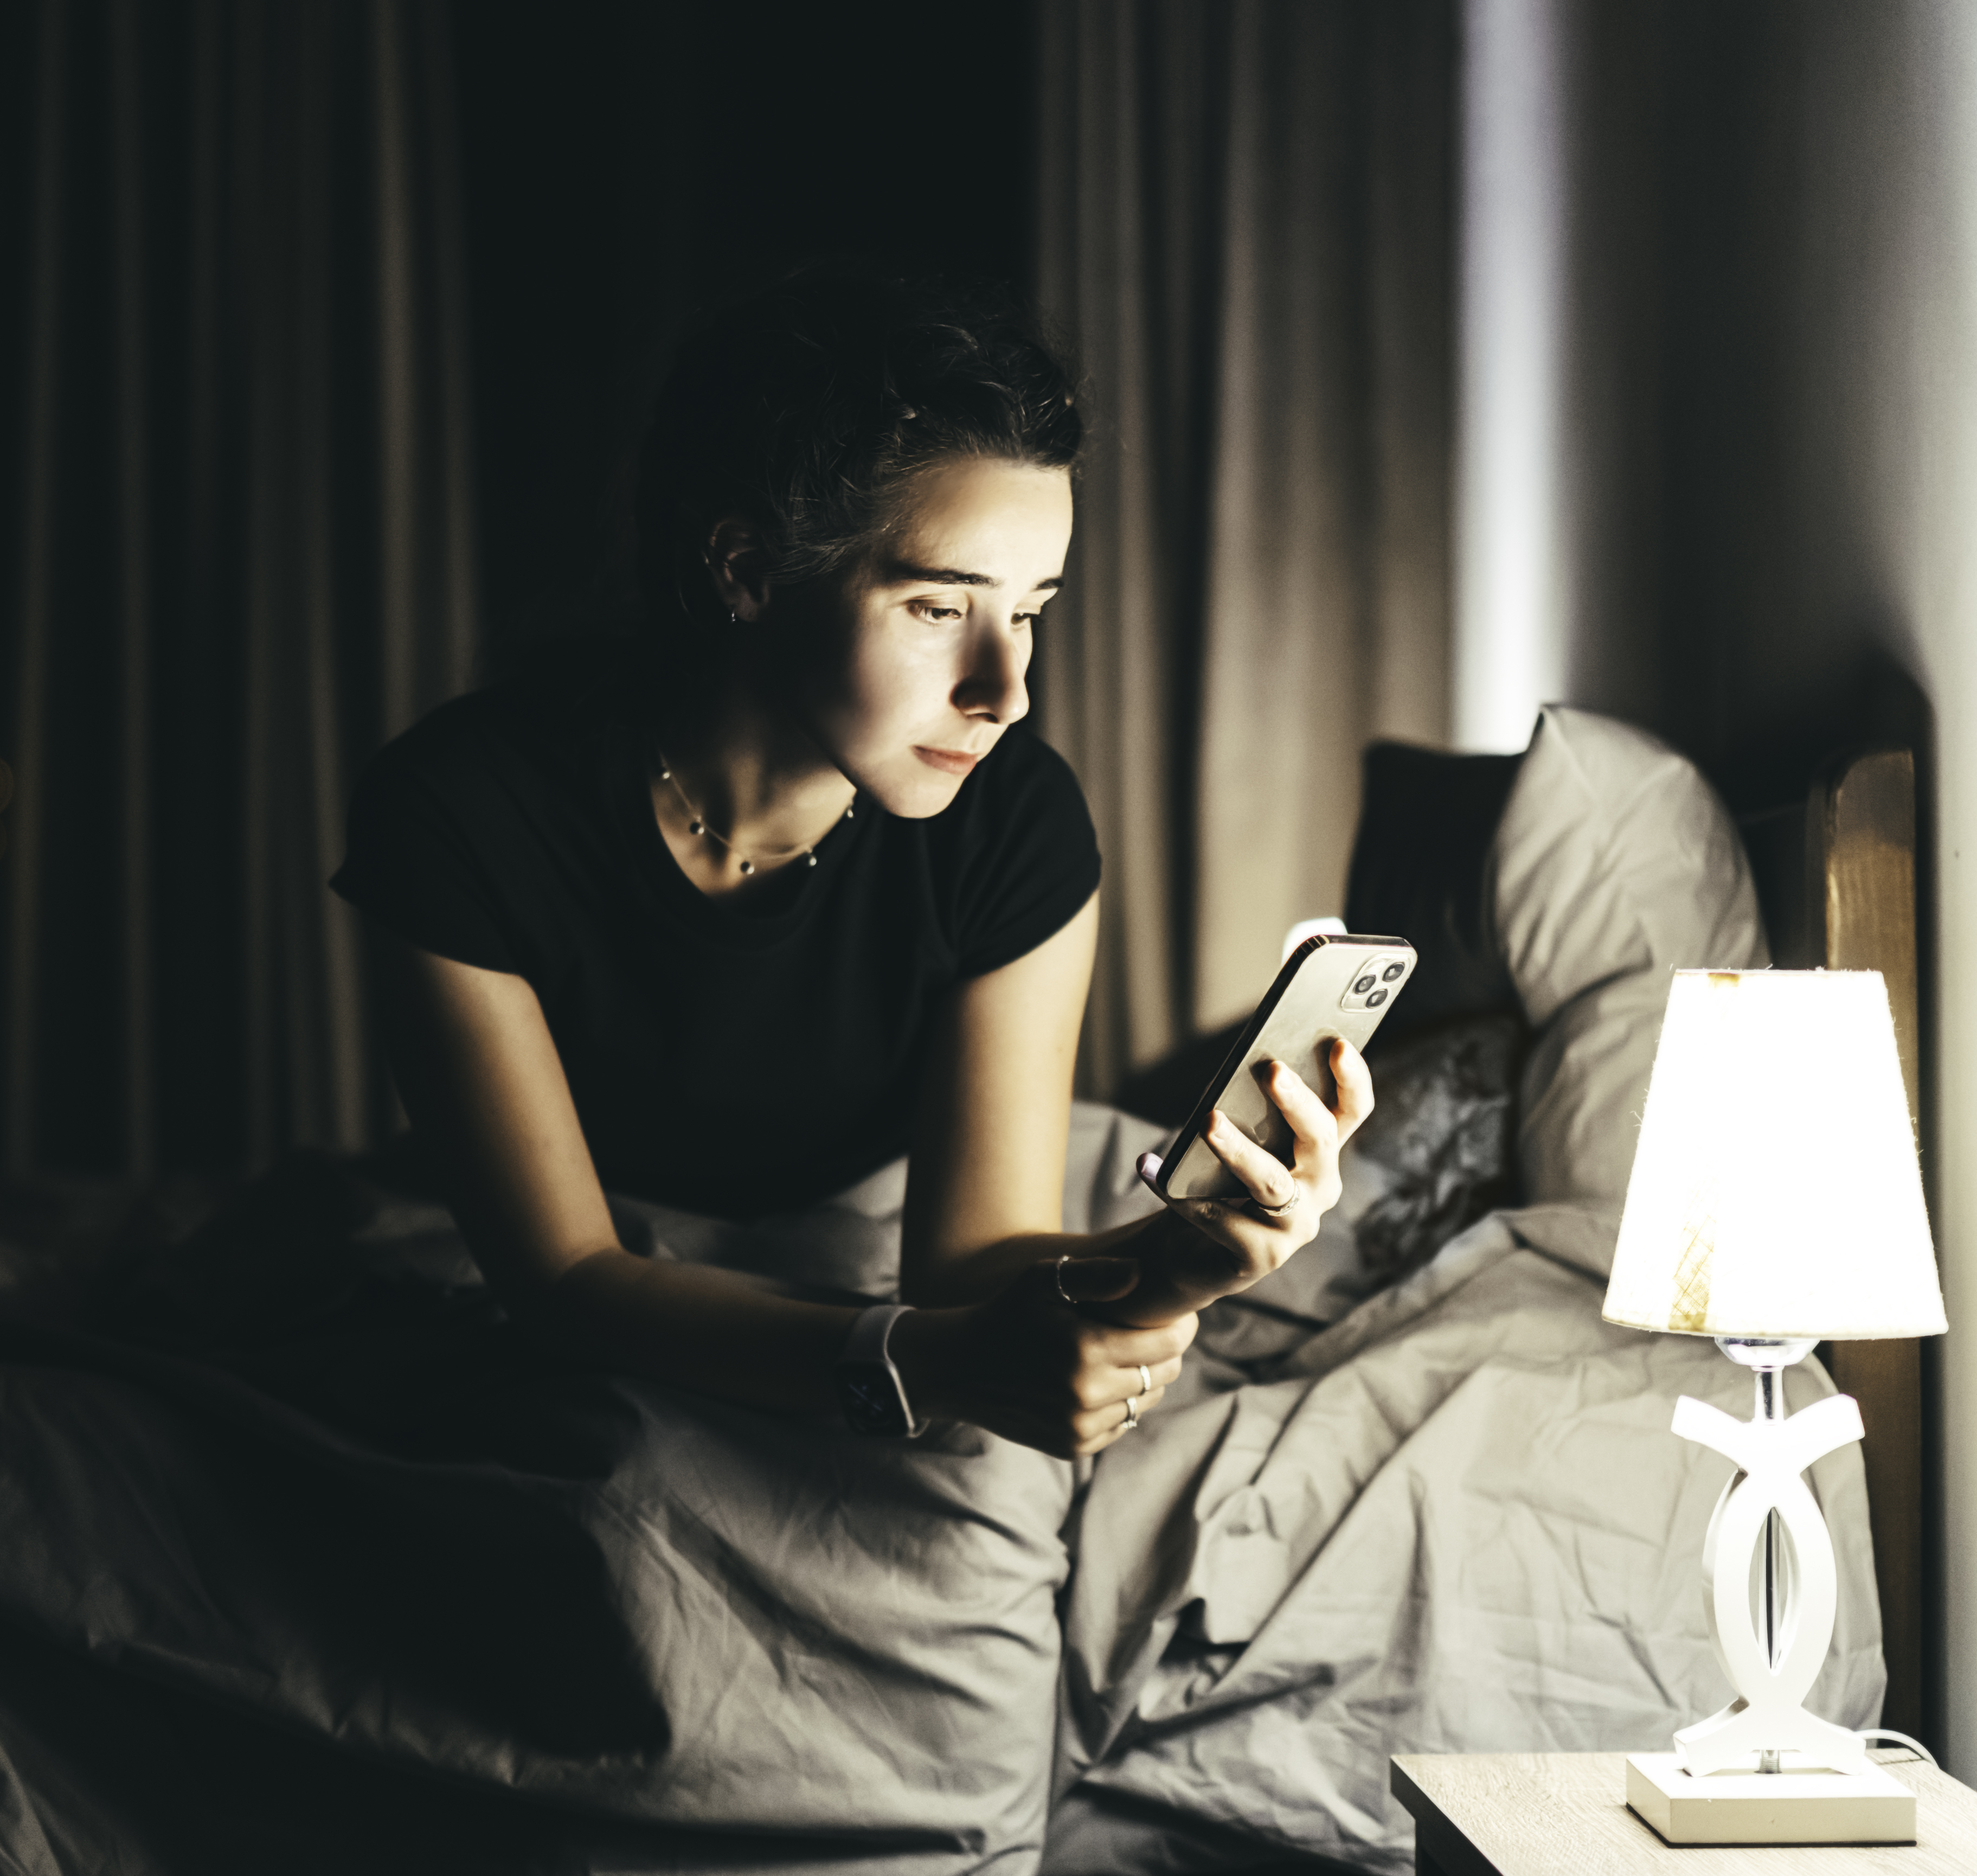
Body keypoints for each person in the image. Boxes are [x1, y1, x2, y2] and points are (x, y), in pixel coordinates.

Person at [332, 271, 1369, 1460]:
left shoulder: (1014, 821)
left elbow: (973, 1261)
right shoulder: (462, 813)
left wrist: (1178, 1257)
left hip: (869, 1239)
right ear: (748, 570)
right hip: (605, 1286)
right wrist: (921, 1360)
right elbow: (567, 1274)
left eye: (1031, 611)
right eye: (939, 608)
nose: (1007, 691)